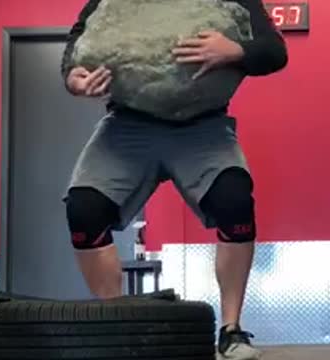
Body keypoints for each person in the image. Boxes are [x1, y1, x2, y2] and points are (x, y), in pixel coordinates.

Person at [59, 1, 288, 359]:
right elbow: (75, 47)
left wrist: (236, 52)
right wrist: (74, 78)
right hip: (128, 125)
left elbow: (275, 52)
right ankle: (116, 326)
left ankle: (231, 331)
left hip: (203, 124)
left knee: (235, 201)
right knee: (84, 209)